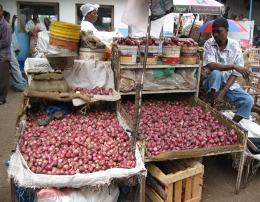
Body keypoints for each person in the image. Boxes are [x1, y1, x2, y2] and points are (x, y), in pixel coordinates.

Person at [203, 17, 253, 123]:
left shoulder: (235, 46)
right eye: (213, 31)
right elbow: (211, 65)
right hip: (211, 82)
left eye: (219, 31)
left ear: (227, 30)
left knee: (248, 101)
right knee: (216, 73)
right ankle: (213, 106)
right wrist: (234, 66)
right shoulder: (209, 44)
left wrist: (223, 92)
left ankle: (232, 124)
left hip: (228, 84)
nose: (215, 34)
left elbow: (235, 74)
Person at [3, 11, 27, 91]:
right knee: (15, 67)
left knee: (14, 67)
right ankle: (20, 85)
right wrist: (13, 21)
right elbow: (11, 32)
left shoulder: (5, 25)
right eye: (8, 18)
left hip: (9, 49)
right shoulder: (4, 26)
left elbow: (11, 31)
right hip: (7, 50)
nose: (8, 19)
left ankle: (20, 83)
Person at [0, 4, 12, 105]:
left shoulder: (6, 26)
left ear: (1, 12)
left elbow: (5, 42)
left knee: (3, 79)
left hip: (3, 56)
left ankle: (2, 98)